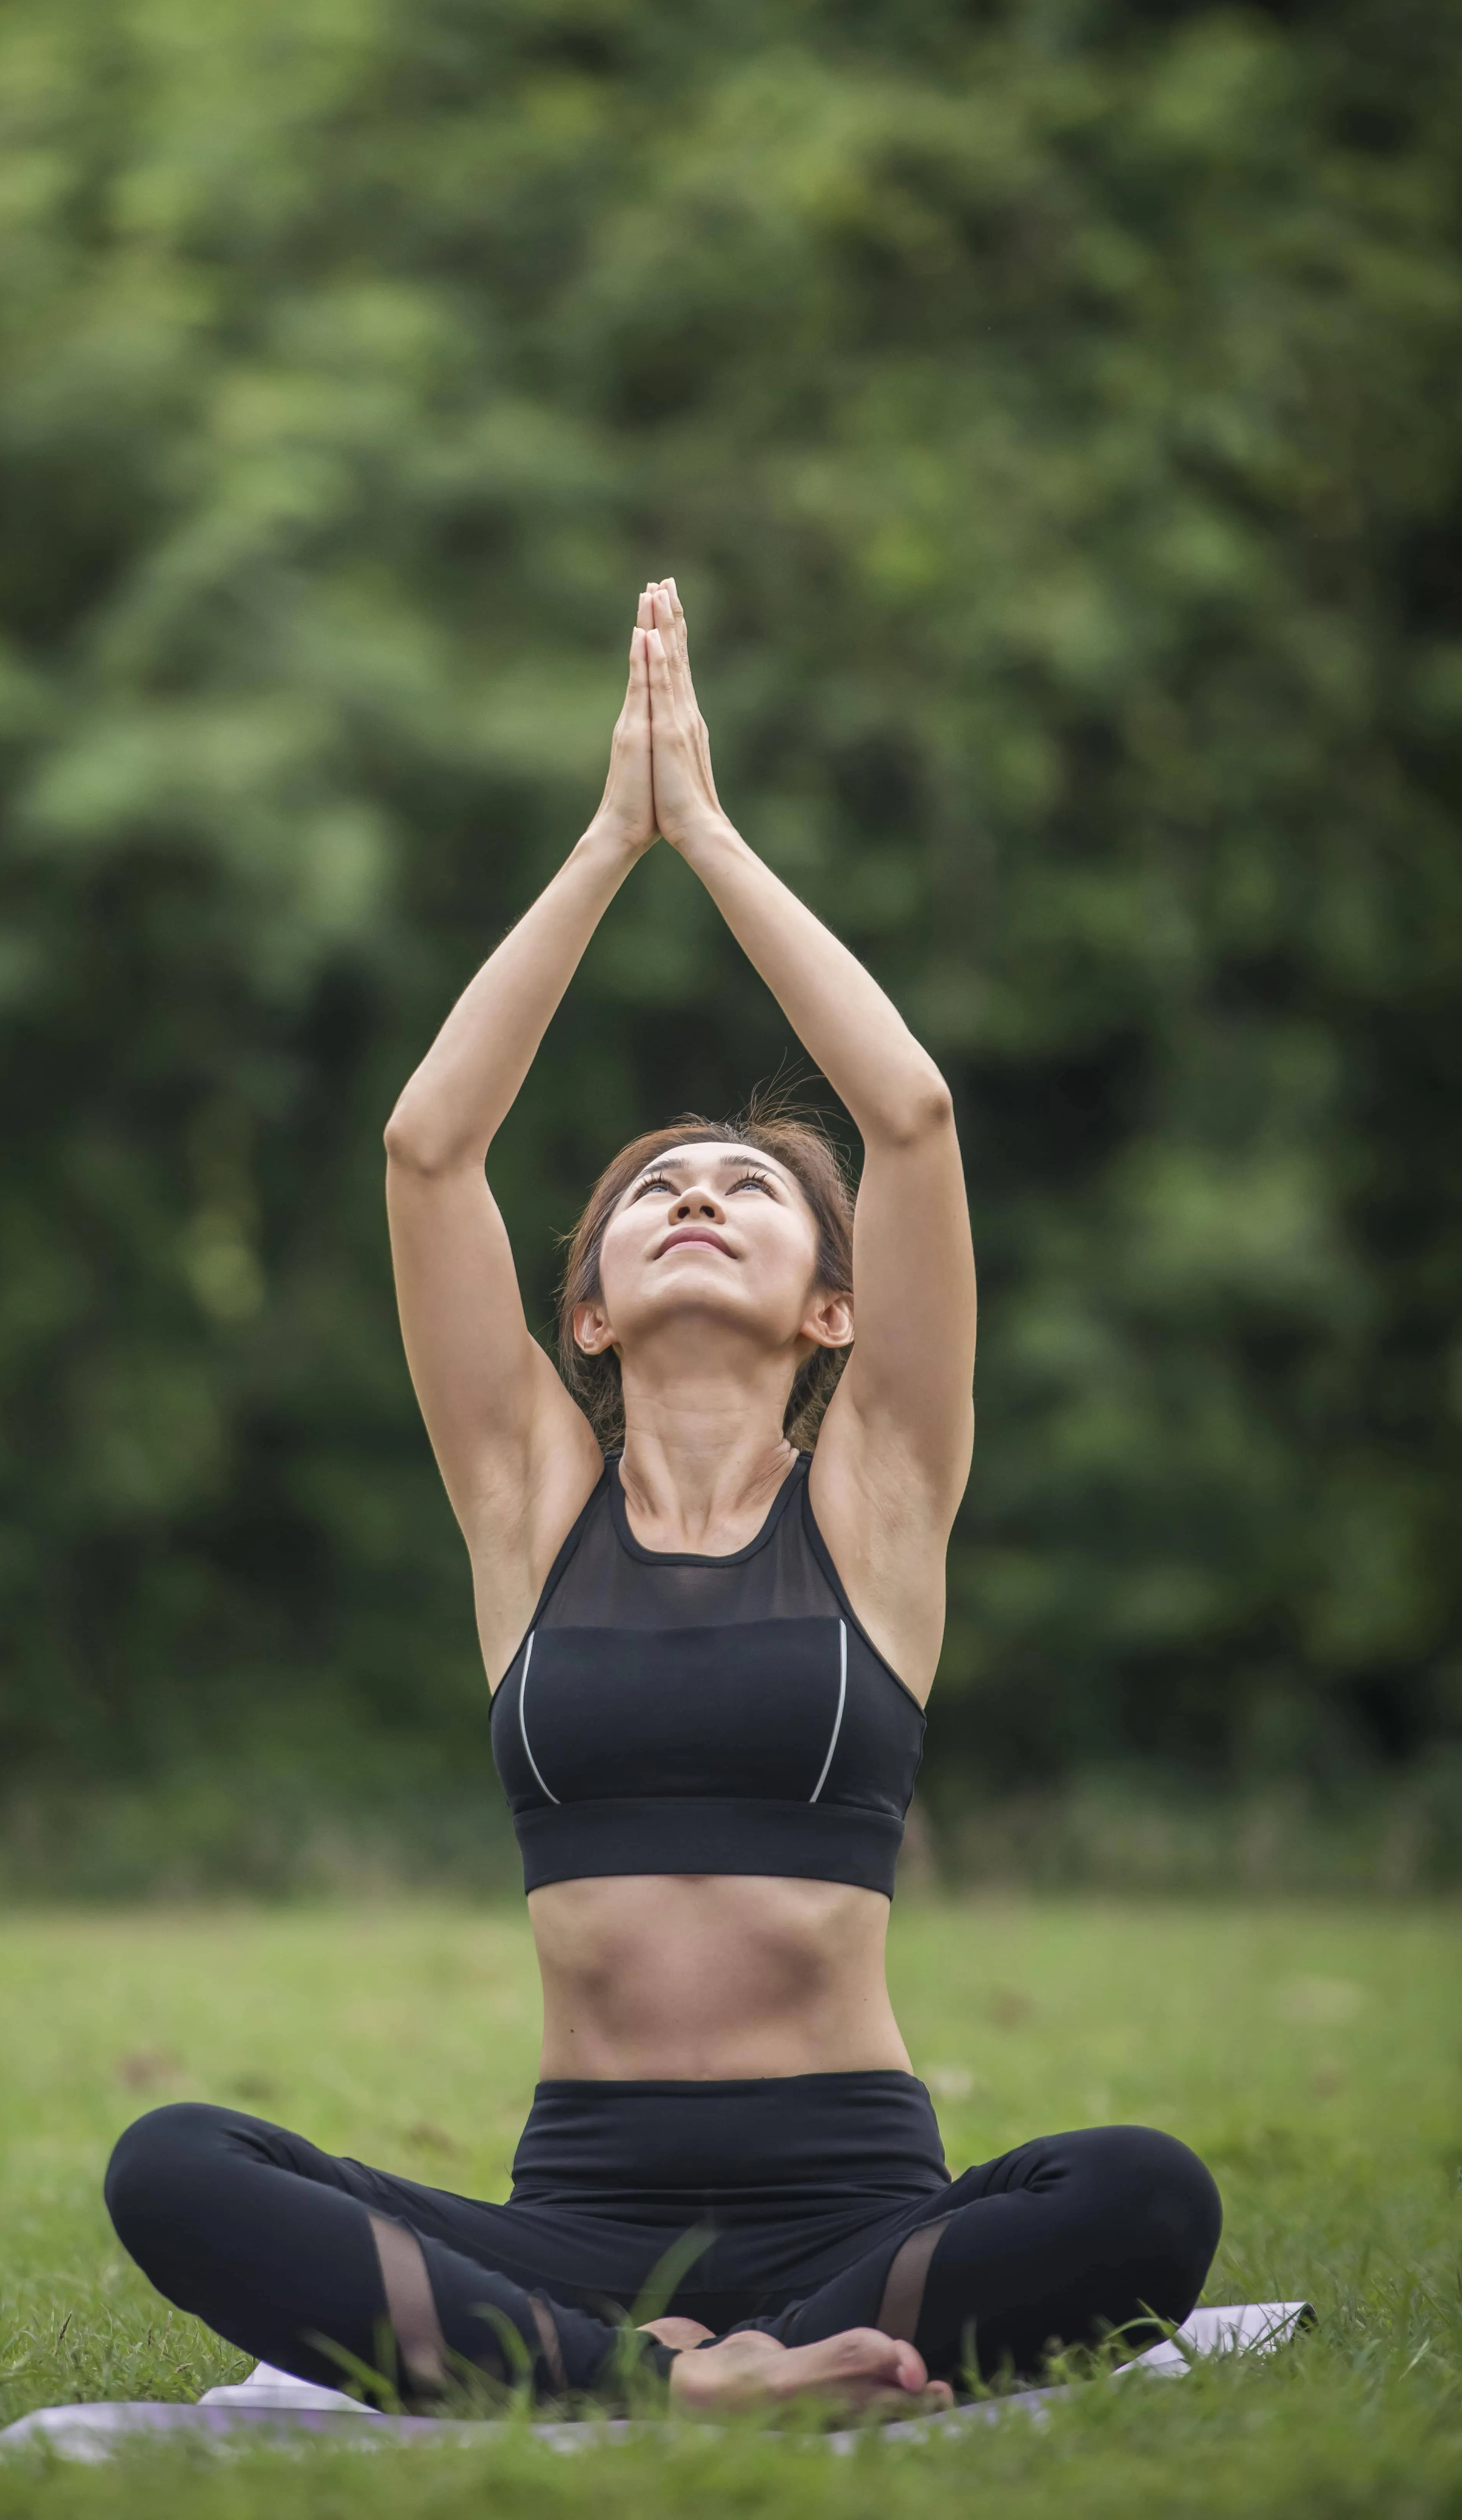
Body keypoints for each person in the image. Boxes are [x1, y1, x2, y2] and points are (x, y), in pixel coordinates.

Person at [105, 581, 1221, 2417]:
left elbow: (911, 1117)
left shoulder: (879, 1493)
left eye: (750, 1189)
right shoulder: (524, 1501)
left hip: (860, 2210)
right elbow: (427, 1148)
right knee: (174, 2163)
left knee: (1144, 2193)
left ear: (833, 1309)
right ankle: (658, 2382)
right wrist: (604, 843)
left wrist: (704, 831)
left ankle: (653, 2372)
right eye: (654, 1190)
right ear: (590, 1312)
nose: (699, 1194)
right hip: (578, 2220)